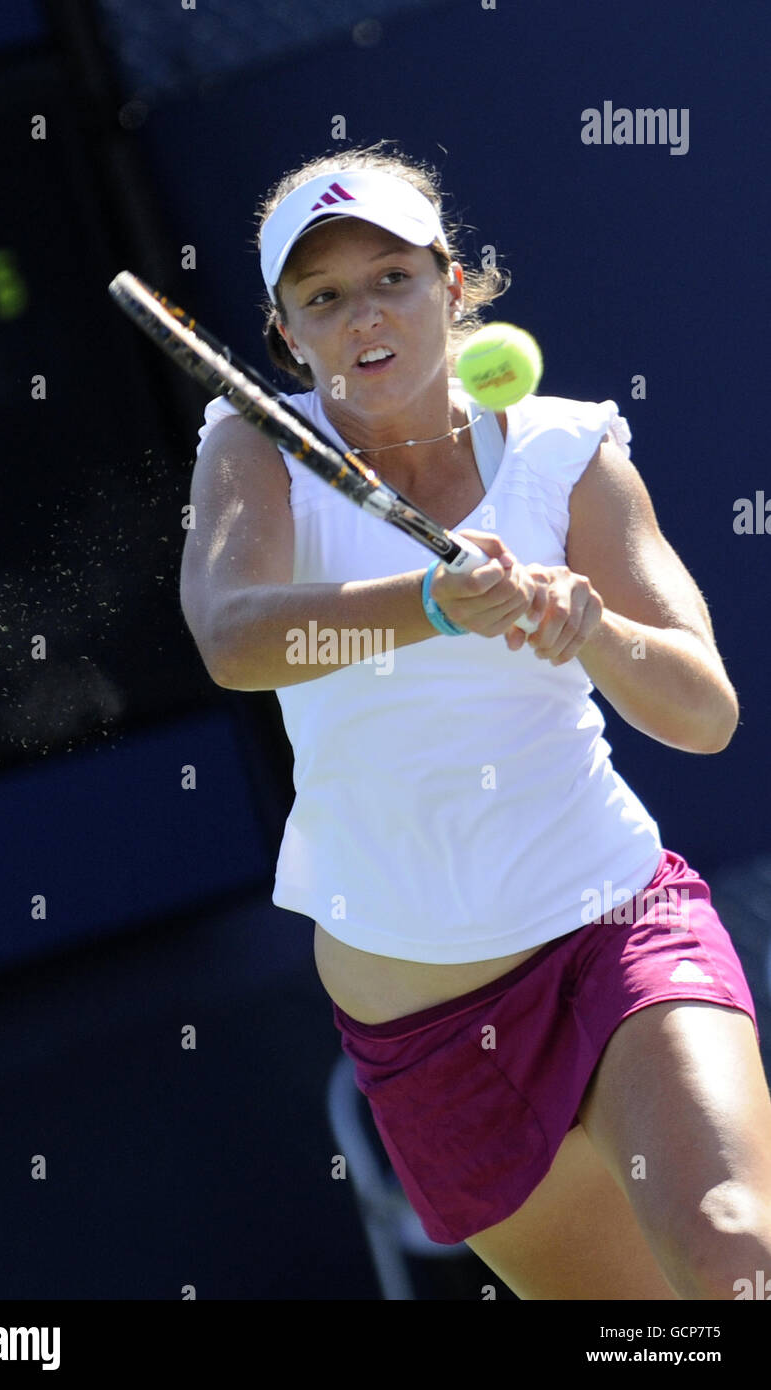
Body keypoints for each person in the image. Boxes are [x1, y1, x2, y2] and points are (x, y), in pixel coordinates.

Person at [180, 142, 771, 1300]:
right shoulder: (254, 444)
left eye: (391, 276)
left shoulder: (567, 449)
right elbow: (235, 638)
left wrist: (588, 630)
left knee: (730, 1254)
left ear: (454, 288)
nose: (363, 315)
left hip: (616, 930)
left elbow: (703, 712)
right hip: (427, 1026)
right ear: (287, 334)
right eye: (324, 297)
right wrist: (431, 604)